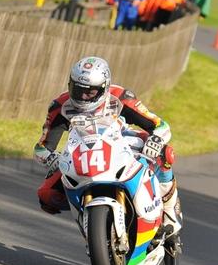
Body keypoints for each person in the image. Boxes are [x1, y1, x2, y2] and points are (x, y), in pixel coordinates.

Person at [34, 56, 183, 239]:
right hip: (80, 152)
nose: (83, 96)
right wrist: (51, 157)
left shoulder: (121, 97)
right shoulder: (60, 106)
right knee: (46, 196)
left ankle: (169, 209)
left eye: (90, 92)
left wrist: (155, 140)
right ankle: (90, 221)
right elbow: (42, 146)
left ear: (104, 87)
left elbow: (159, 125)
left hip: (121, 142)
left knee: (164, 153)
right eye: (78, 89)